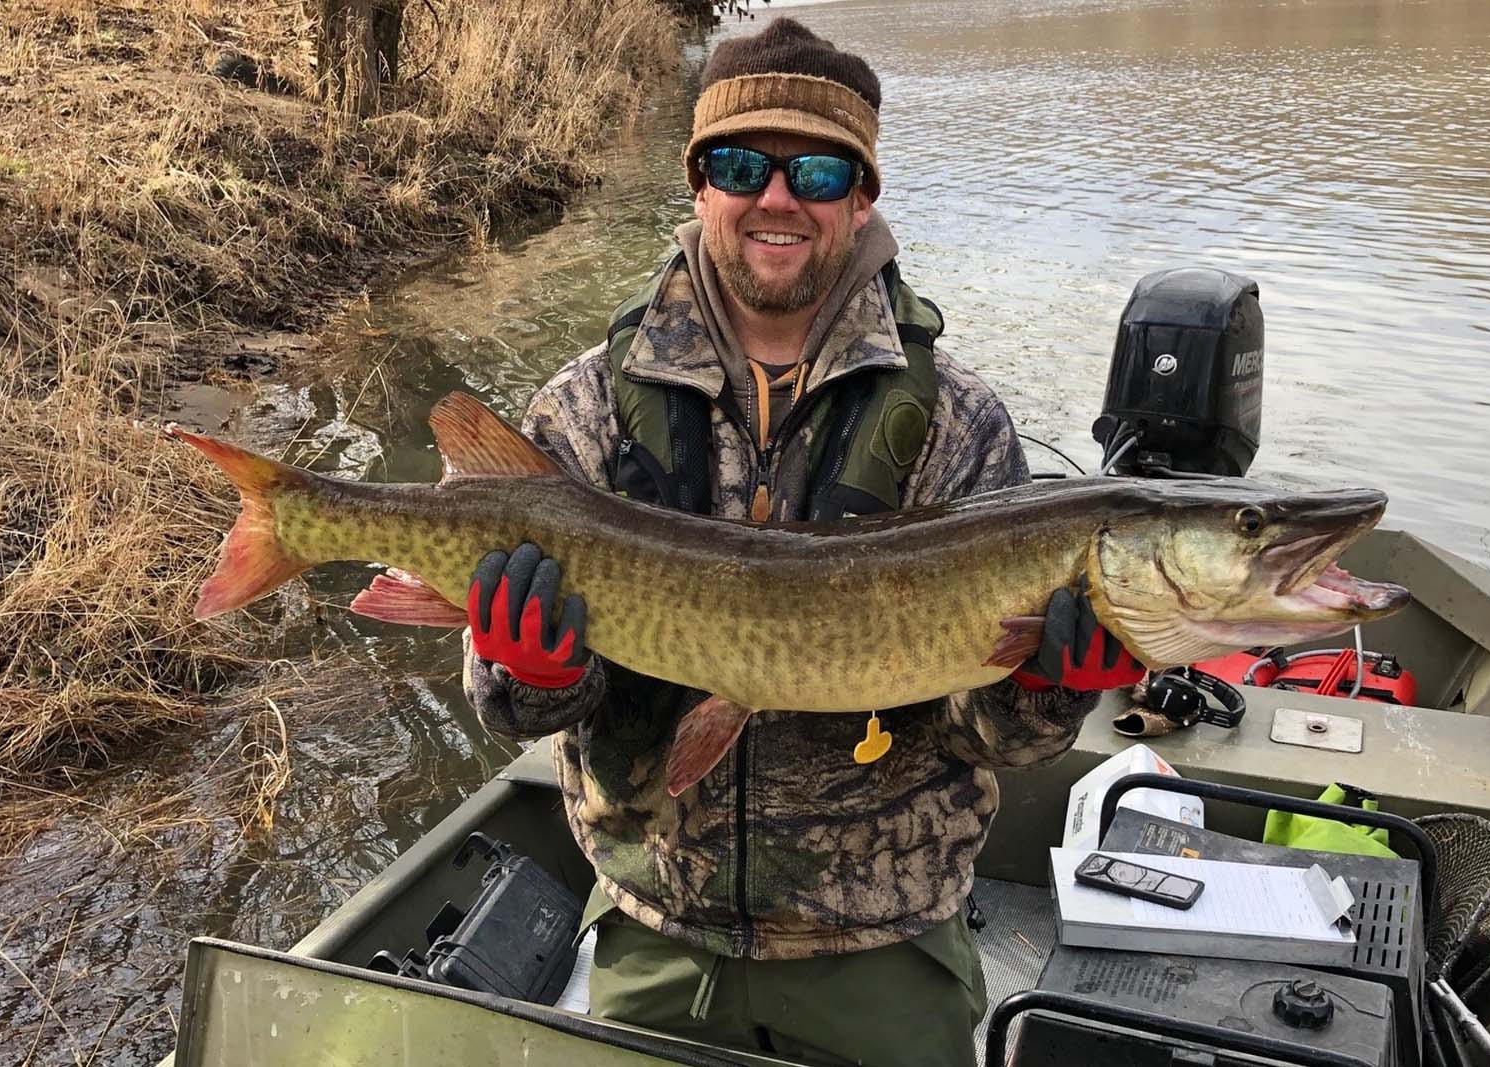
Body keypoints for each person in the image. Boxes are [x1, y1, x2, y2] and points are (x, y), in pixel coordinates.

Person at [462, 18, 1144, 1067]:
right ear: (699, 185)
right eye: (742, 166)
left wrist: (1049, 690)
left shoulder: (959, 422)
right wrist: (530, 670)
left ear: (861, 197)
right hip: (656, 928)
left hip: (885, 946)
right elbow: (505, 705)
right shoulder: (585, 407)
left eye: (817, 172)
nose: (776, 198)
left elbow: (992, 739)